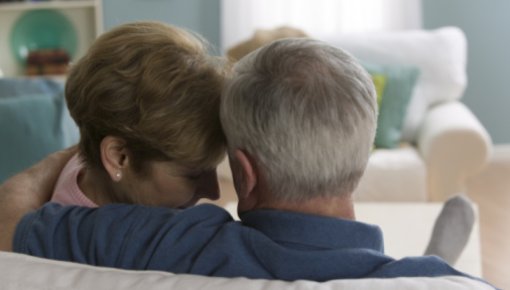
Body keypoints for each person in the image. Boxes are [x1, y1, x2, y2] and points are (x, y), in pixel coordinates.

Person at [0, 38, 494, 288]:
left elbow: (9, 224)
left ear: (244, 172)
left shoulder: (161, 240)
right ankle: (435, 259)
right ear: (361, 158)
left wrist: (61, 157)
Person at [51, 21, 227, 208]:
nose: (214, 192)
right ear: (119, 157)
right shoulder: (91, 235)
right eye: (193, 175)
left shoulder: (86, 169)